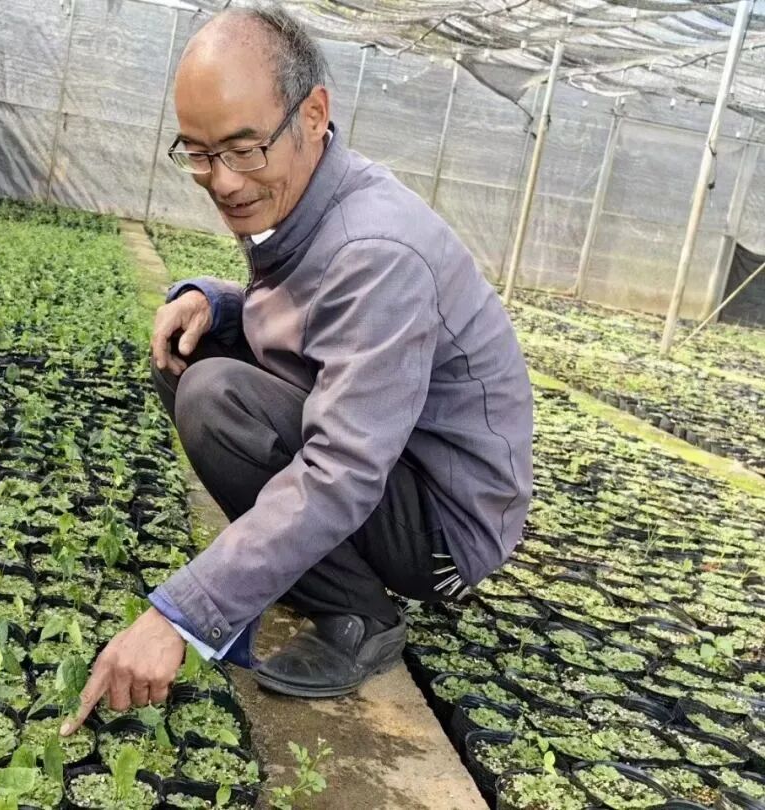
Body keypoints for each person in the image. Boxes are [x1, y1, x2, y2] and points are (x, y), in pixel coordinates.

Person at [61, 3, 532, 735]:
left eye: (243, 149)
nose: (222, 181)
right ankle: (311, 568)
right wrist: (215, 302)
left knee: (216, 398)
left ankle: (359, 614)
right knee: (189, 353)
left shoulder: (378, 251)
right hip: (394, 462)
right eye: (198, 153)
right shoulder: (311, 196)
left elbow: (343, 468)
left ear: (313, 115)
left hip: (442, 526)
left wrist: (181, 615)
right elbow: (312, 322)